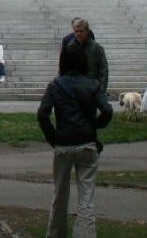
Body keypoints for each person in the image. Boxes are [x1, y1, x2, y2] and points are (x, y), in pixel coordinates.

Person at [39, 41, 113, 238]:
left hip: (63, 143)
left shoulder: (55, 85)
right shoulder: (92, 84)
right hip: (86, 143)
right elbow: (107, 110)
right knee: (86, 198)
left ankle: (56, 233)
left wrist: (53, 137)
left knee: (59, 195)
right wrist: (94, 125)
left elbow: (42, 114)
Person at [67, 18, 110, 93]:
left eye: (81, 31)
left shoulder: (97, 48)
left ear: (87, 31)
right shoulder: (69, 48)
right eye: (76, 31)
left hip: (92, 89)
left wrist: (101, 91)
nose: (79, 33)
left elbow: (103, 70)